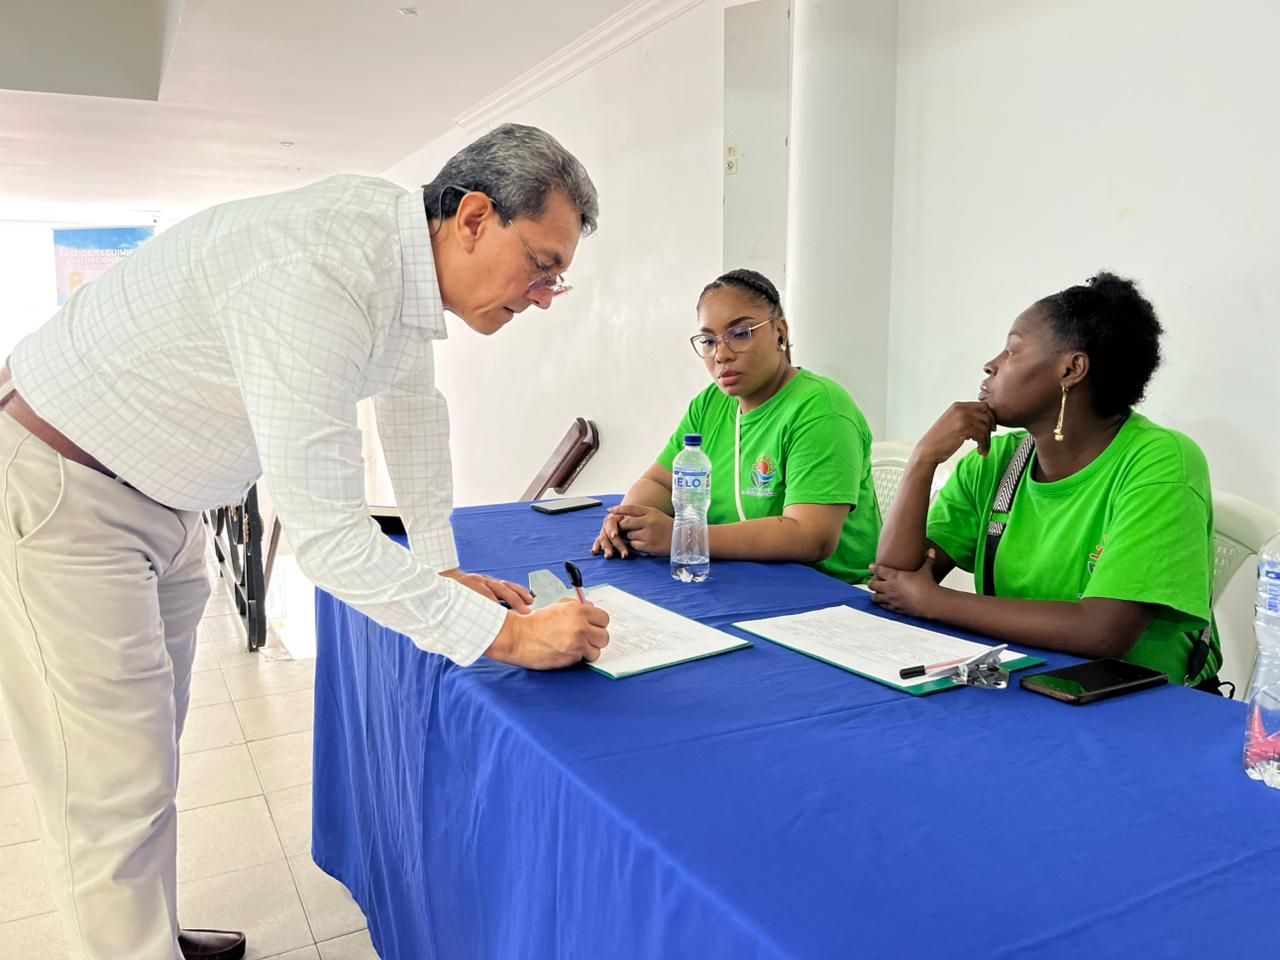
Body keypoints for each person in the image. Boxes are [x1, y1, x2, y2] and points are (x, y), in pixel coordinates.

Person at [0, 123, 610, 960]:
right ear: (473, 218)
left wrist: (441, 567)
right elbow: (329, 541)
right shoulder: (318, 267)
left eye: (558, 281)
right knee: (108, 787)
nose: (543, 296)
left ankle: (144, 935)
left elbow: (409, 406)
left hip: (164, 496)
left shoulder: (398, 265)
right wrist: (509, 636)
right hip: (68, 485)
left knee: (144, 750)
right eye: (541, 266)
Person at [871, 271, 1221, 689]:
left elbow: (1104, 632)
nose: (991, 365)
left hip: (1139, 704)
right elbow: (893, 581)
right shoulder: (999, 459)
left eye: (1012, 351)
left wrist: (933, 601)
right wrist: (923, 460)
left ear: (1071, 370)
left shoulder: (1161, 462)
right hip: (1021, 684)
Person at [592, 269, 881, 583]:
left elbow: (811, 537)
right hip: (733, 576)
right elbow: (661, 483)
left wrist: (684, 538)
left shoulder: (822, 409)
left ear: (780, 334)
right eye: (708, 340)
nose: (722, 354)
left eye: (740, 334)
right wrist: (626, 519)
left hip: (825, 596)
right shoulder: (710, 404)